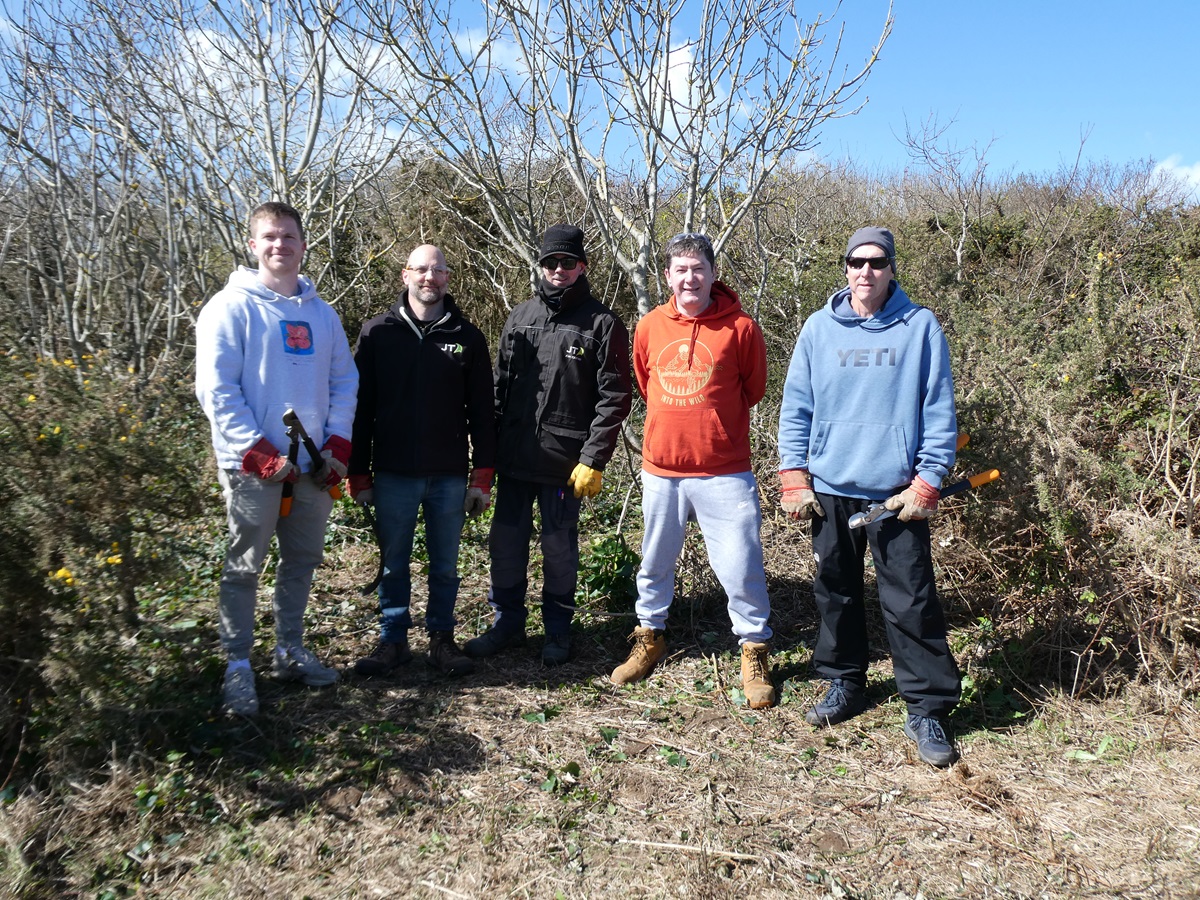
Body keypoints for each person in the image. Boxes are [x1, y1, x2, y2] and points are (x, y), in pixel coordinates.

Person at [777, 226, 961, 767]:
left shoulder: (919, 326)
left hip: (896, 492)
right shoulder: (818, 328)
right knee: (834, 590)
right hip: (830, 485)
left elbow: (938, 409)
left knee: (909, 598)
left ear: (891, 268)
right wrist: (794, 475)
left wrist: (928, 480)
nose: (865, 272)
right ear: (845, 267)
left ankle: (927, 708)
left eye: (876, 263)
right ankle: (844, 684)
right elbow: (797, 407)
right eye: (856, 262)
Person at [196, 201, 358, 717]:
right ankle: (237, 665)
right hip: (253, 468)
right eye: (269, 237)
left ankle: (289, 649)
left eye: (289, 237)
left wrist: (336, 445)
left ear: (303, 245)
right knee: (244, 566)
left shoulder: (321, 313)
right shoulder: (229, 308)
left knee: (302, 562)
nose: (279, 246)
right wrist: (258, 452)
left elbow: (343, 382)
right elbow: (216, 389)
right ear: (253, 244)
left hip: (312, 468)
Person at [610, 232, 776, 709]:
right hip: (662, 468)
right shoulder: (649, 327)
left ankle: (753, 649)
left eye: (698, 268)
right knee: (655, 560)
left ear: (712, 273)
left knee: (741, 564)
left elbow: (754, 387)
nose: (690, 278)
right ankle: (650, 636)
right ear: (667, 276)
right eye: (680, 269)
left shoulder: (741, 328)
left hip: (724, 469)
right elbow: (647, 383)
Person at [464, 224, 632, 665]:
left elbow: (614, 397)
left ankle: (557, 629)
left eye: (567, 262)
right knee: (505, 544)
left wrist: (593, 459)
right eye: (551, 262)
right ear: (540, 265)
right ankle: (507, 623)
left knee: (558, 549)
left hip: (565, 465)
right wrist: (486, 456)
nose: (559, 270)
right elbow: (499, 389)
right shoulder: (519, 317)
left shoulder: (603, 324)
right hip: (514, 458)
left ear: (582, 266)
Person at [347, 244, 495, 678]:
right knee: (394, 563)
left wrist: (481, 475)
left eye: (438, 270)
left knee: (445, 566)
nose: (430, 277)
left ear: (448, 278)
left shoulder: (466, 337)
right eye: (421, 269)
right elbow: (359, 408)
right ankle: (392, 642)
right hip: (392, 473)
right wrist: (358, 471)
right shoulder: (377, 334)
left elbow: (483, 413)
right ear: (404, 275)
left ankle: (441, 642)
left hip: (449, 475)